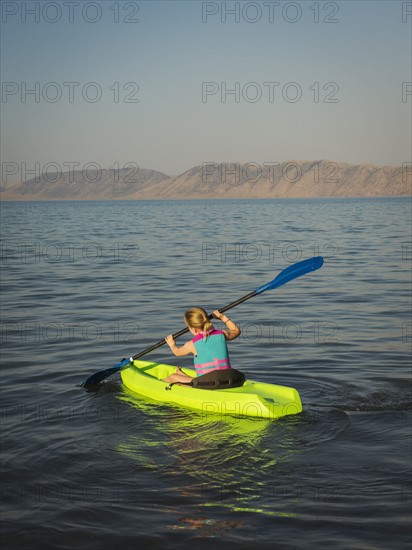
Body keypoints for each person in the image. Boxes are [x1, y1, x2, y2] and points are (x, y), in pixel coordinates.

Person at [164, 307, 242, 387]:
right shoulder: (222, 334)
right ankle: (184, 377)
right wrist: (222, 317)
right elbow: (236, 331)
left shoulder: (192, 344)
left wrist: (172, 344)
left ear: (194, 330)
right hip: (230, 378)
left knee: (173, 377)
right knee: (202, 378)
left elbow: (177, 352)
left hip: (208, 384)